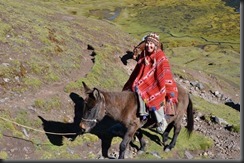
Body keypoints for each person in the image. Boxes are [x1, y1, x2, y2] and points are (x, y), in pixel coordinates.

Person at [122, 32, 178, 133]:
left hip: (157, 83)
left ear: (155, 45)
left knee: (152, 94)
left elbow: (163, 74)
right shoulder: (144, 54)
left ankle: (161, 121)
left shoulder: (161, 57)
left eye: (151, 44)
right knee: (134, 87)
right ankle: (139, 112)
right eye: (147, 43)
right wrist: (138, 80)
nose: (148, 45)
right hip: (146, 81)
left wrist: (151, 83)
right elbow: (139, 69)